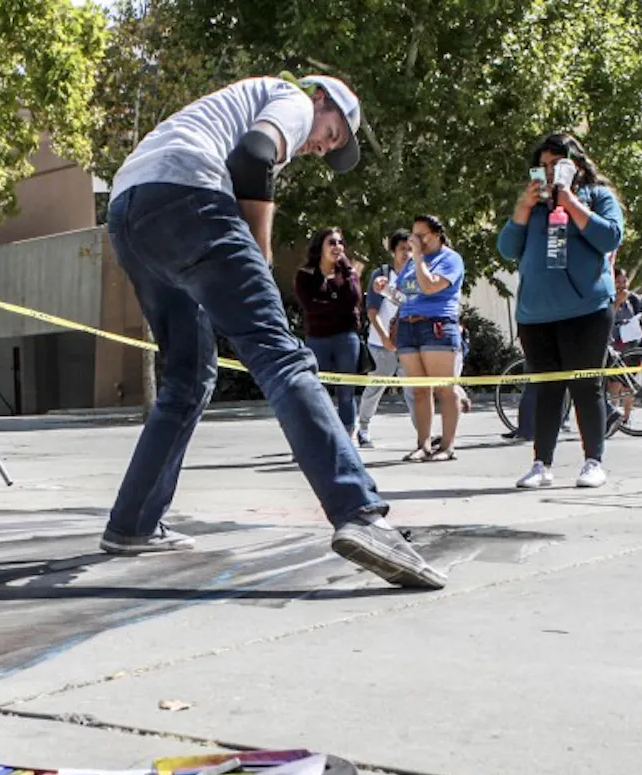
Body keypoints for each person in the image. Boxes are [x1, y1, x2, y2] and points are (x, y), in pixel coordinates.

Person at [98, 74, 443, 588]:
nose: (321, 146)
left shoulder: (227, 107)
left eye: (329, 148)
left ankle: (133, 523)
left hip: (129, 215)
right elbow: (254, 156)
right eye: (331, 134)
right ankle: (358, 512)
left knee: (187, 378)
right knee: (281, 357)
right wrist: (258, 249)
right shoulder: (294, 99)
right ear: (321, 99)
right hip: (191, 198)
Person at [497, 132, 625, 489]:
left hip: (585, 310)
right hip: (536, 314)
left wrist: (570, 203)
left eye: (557, 163)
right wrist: (523, 209)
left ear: (577, 165)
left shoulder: (597, 196)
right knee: (547, 391)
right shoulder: (534, 206)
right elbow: (507, 248)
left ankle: (593, 461)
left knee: (586, 387)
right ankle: (542, 464)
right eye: (543, 166)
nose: (550, 171)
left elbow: (610, 237)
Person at [394, 215, 464, 462]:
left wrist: (418, 259)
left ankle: (447, 446)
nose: (414, 241)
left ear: (436, 235)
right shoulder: (412, 262)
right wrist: (386, 290)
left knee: (444, 388)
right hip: (408, 325)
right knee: (419, 391)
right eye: (412, 235)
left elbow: (430, 286)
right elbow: (403, 295)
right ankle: (423, 444)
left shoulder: (450, 259)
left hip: (436, 325)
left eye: (420, 236)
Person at [294, 228, 363, 439]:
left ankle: (347, 435)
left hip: (346, 337)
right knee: (316, 388)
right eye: (331, 243)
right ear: (320, 247)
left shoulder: (348, 274)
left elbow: (353, 301)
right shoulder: (306, 275)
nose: (337, 247)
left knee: (346, 390)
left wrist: (348, 270)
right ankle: (320, 435)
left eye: (340, 243)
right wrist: (338, 306)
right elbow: (311, 306)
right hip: (318, 337)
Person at [361, 231, 411, 449]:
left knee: (413, 389)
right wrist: (385, 337)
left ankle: (424, 435)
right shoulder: (381, 274)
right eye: (402, 249)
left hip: (408, 344)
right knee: (376, 386)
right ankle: (363, 428)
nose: (407, 254)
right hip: (381, 343)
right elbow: (372, 311)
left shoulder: (417, 276)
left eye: (411, 249)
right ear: (393, 251)